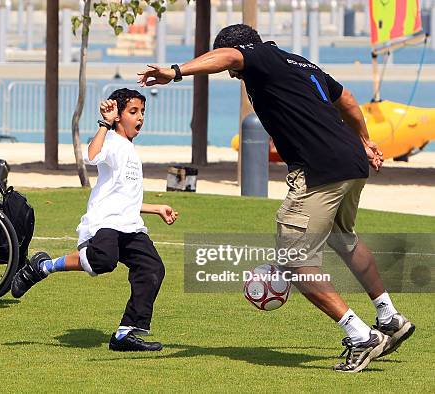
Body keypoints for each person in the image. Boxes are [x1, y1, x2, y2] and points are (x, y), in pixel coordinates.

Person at [137, 24, 414, 372]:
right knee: (344, 239)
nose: (234, 76)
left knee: (297, 262)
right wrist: (364, 141)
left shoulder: (258, 56)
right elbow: (347, 100)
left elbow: (229, 55)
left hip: (320, 169)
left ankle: (362, 336)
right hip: (351, 162)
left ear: (239, 55)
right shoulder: (301, 63)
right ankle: (389, 316)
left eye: (233, 72)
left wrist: (175, 71)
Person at [11, 88, 178, 352]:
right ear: (119, 116)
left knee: (152, 268)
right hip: (105, 222)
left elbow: (125, 197)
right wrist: (104, 124)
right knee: (103, 261)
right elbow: (91, 155)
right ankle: (43, 267)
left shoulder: (131, 151)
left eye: (143, 112)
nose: (140, 117)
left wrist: (156, 208)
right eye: (133, 112)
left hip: (129, 225)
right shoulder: (111, 141)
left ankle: (125, 334)